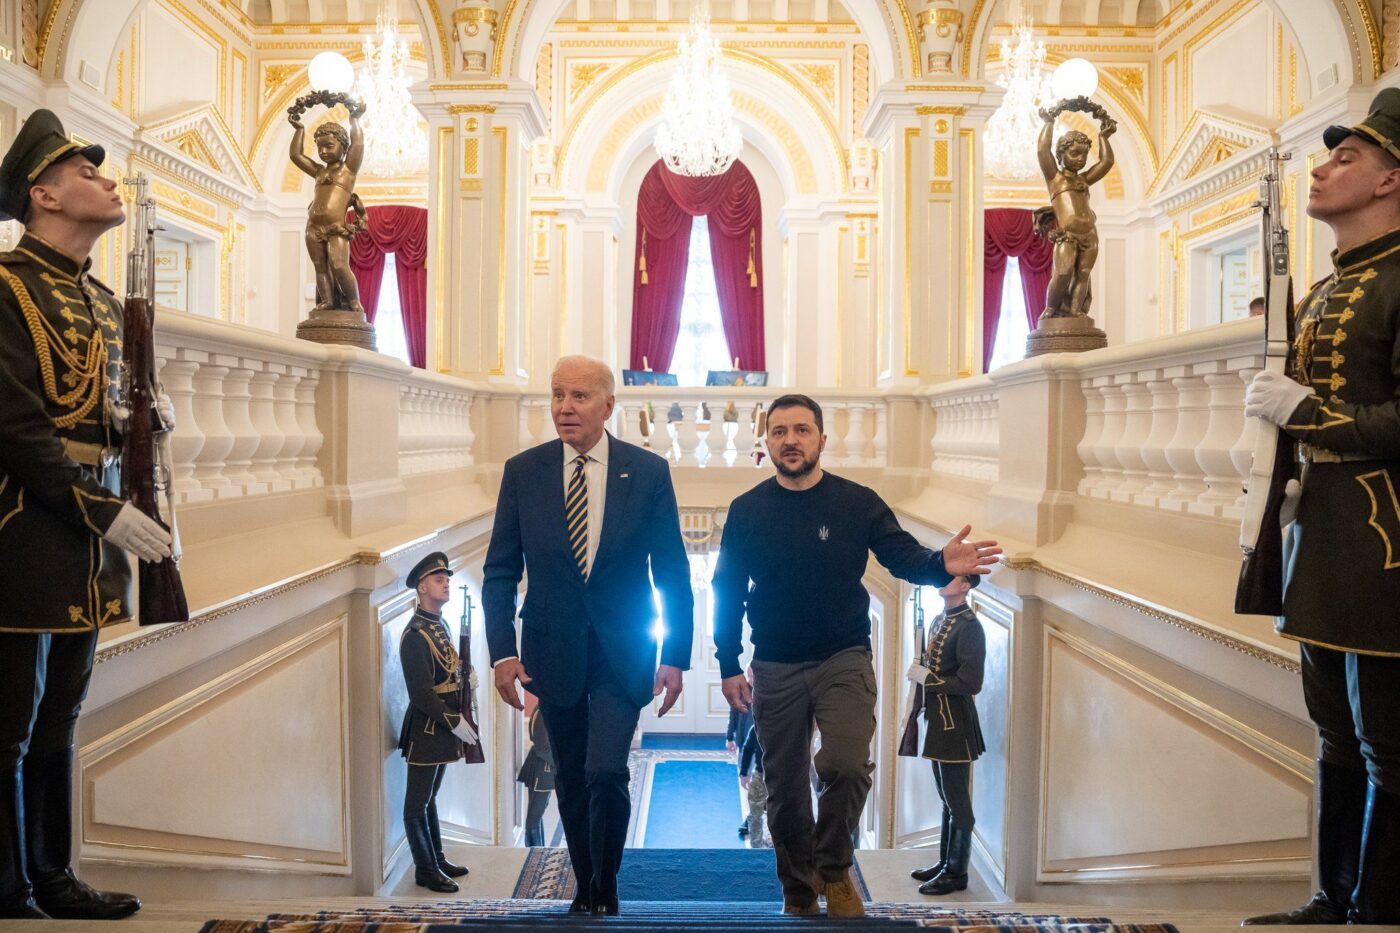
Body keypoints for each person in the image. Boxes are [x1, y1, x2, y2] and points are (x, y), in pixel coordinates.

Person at [713, 394, 1000, 918]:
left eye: (801, 430)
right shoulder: (748, 510)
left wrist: (942, 564)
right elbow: (727, 588)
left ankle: (834, 868)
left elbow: (903, 555)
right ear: (768, 442)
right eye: (779, 432)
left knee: (845, 765)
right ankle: (798, 887)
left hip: (843, 656)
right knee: (786, 786)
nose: (790, 440)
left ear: (822, 439)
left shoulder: (857, 502)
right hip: (774, 663)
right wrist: (728, 662)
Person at [0, 108, 176, 921]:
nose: (106, 182)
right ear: (43, 194)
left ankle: (53, 875)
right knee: (7, 720)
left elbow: (98, 408)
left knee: (61, 711)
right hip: (25, 531)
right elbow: (17, 428)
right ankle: (10, 887)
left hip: (88, 538)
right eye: (85, 172)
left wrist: (142, 417)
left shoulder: (102, 301)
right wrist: (101, 511)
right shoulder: (4, 290)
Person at [1240, 88, 1400, 926]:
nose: (1324, 165)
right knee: (1337, 738)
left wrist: (1304, 413)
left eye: (1347, 157)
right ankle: (1332, 896)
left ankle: (1379, 910)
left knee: (1390, 750)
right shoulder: (1334, 287)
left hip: (1385, 544)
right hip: (1321, 540)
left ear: (1389, 180)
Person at [484, 355, 694, 917]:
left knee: (606, 769)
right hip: (553, 653)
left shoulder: (647, 473)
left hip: (624, 653)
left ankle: (609, 877)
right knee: (570, 775)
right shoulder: (523, 472)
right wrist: (502, 651)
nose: (564, 407)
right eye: (556, 394)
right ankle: (586, 881)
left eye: (578, 396)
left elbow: (672, 571)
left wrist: (676, 656)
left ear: (608, 406)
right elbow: (501, 570)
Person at [398, 552, 478, 893]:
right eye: (438, 579)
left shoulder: (439, 625)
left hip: (444, 728)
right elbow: (421, 695)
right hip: (429, 729)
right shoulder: (415, 634)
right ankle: (425, 869)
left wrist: (466, 675)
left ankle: (438, 858)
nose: (446, 583)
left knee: (431, 796)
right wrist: (453, 720)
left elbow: (449, 664)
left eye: (446, 578)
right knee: (416, 803)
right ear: (421, 587)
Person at [906, 574, 985, 896]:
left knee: (959, 804)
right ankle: (944, 863)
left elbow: (971, 683)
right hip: (938, 722)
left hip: (956, 725)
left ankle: (956, 873)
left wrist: (929, 679)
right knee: (946, 799)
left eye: (953, 578)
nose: (944, 581)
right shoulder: (941, 618)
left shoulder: (969, 627)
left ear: (966, 586)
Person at [288, 105, 366, 315]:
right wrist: (299, 130)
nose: (323, 152)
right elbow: (296, 155)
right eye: (320, 147)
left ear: (343, 146)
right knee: (320, 267)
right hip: (313, 227)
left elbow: (358, 142)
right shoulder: (318, 171)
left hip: (335, 226)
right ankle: (328, 301)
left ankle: (354, 302)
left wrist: (354, 120)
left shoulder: (348, 169)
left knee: (339, 265)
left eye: (329, 146)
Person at [1035, 116, 1115, 320]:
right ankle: (1050, 309)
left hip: (1090, 235)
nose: (1080, 158)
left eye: (1084, 155)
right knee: (1062, 274)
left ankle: (1075, 311)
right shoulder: (1055, 178)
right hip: (1067, 236)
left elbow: (1106, 162)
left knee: (1083, 275)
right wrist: (1049, 122)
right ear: (1061, 155)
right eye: (1074, 153)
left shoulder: (1084, 179)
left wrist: (1103, 137)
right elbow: (1042, 150)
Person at [518, 706, 555, 847]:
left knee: (537, 815)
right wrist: (561, 765)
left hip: (542, 768)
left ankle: (539, 849)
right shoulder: (543, 712)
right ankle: (534, 853)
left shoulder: (544, 709)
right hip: (542, 770)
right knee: (534, 817)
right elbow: (542, 749)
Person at [727, 686, 754, 836]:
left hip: (757, 747)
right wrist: (729, 736)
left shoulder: (765, 691)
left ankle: (751, 819)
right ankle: (754, 815)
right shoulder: (740, 692)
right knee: (749, 781)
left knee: (756, 782)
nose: (750, 675)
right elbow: (733, 715)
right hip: (743, 744)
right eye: (748, 672)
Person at [739, 715, 769, 846]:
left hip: (781, 776)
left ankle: (775, 844)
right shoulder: (756, 729)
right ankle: (756, 847)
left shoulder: (786, 728)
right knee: (756, 811)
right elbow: (748, 749)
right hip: (761, 774)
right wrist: (744, 772)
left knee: (778, 812)